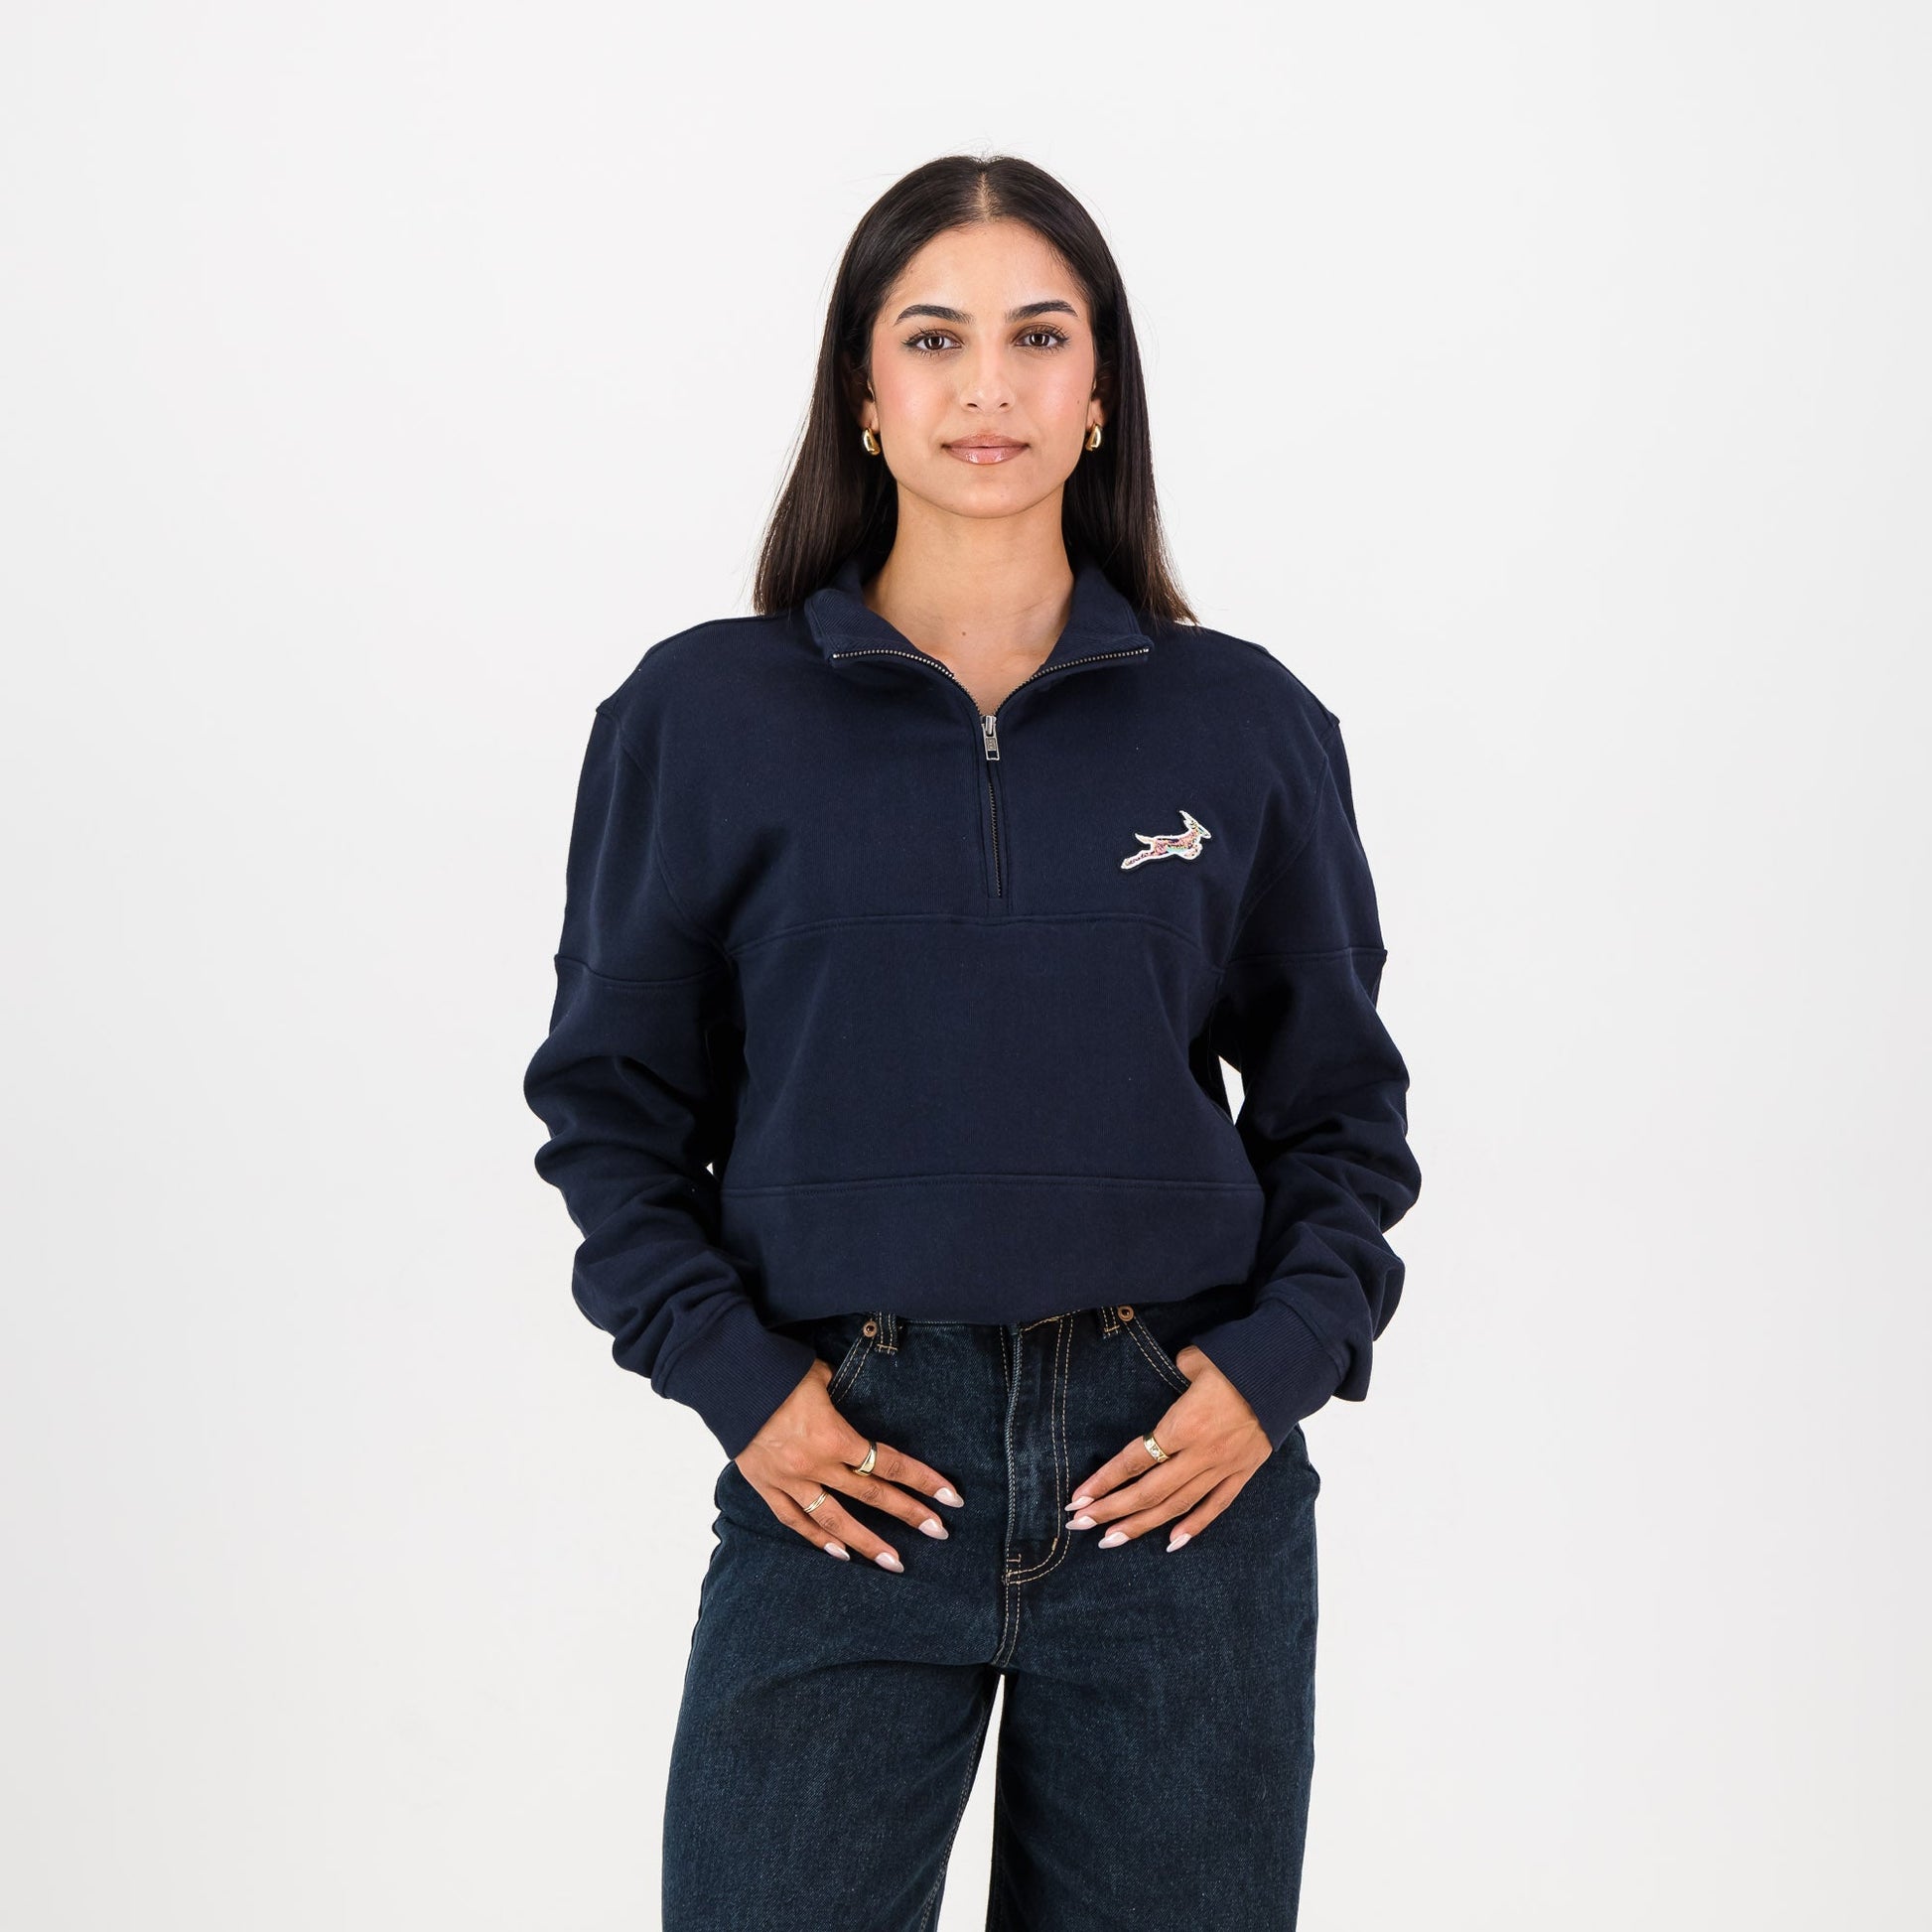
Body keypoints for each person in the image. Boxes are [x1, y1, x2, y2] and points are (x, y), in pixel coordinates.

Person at [522, 151, 1423, 1932]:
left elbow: (1341, 1116)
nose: (987, 386)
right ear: (863, 394)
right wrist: (739, 1384)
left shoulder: (1243, 723)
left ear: (1101, 395)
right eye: (933, 338)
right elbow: (609, 1113)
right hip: (849, 1467)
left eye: (1039, 336)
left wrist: (1269, 1372)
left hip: (1174, 1479)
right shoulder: (701, 715)